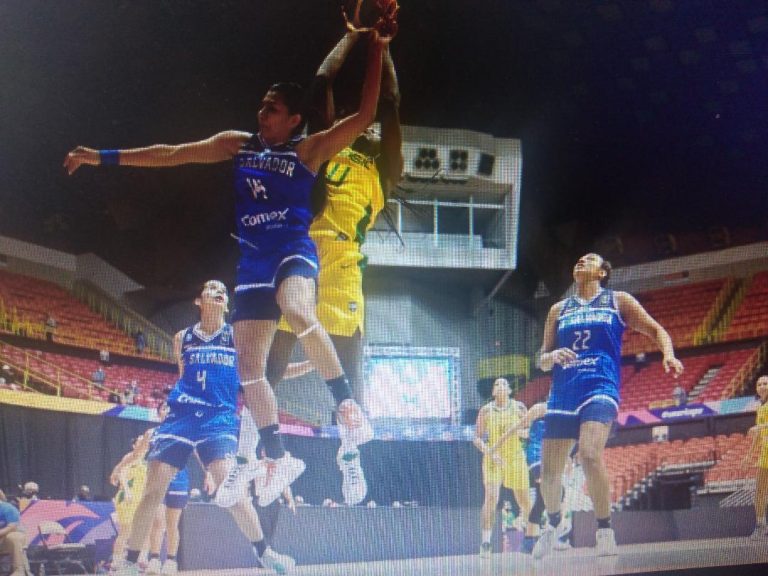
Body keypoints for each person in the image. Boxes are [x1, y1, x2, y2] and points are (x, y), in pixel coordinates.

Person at [64, 25, 395, 511]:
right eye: (261, 105)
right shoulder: (237, 144)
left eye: (273, 108)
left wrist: (378, 49)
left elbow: (365, 114)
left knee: (298, 309)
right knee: (250, 371)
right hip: (254, 261)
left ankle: (346, 405)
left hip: (293, 251)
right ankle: (276, 457)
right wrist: (102, 158)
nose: (262, 113)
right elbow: (171, 154)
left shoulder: (308, 150)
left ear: (294, 119)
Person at [263, 21, 403, 507]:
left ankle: (350, 454)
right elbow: (321, 81)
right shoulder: (324, 144)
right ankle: (263, 456)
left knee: (349, 377)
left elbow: (390, 103)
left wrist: (383, 47)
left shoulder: (384, 167)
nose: (366, 124)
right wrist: (350, 36)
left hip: (344, 264)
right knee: (269, 368)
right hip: (301, 256)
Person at [104, 281, 294, 575]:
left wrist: (307, 366)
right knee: (153, 491)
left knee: (232, 490)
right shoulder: (182, 338)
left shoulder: (237, 336)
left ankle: (264, 554)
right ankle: (130, 562)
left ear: (226, 305)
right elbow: (184, 377)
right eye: (211, 289)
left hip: (218, 418)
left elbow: (264, 371)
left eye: (222, 291)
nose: (218, 291)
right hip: (181, 417)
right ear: (199, 301)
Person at [533, 253, 684, 559]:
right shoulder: (558, 309)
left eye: (589, 259)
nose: (580, 261)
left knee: (589, 454)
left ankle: (604, 530)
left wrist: (668, 354)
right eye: (577, 259)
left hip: (600, 386)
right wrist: (550, 357)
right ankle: (554, 523)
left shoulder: (618, 301)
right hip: (562, 392)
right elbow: (541, 358)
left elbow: (657, 330)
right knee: (549, 474)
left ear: (602, 273)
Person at [473, 378, 532, 559]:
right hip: (493, 457)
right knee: (491, 497)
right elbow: (476, 438)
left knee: (524, 501)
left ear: (510, 390)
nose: (500, 386)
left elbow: (529, 432)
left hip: (515, 457)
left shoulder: (519, 408)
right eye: (497, 384)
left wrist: (518, 432)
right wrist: (490, 453)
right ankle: (486, 542)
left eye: (504, 384)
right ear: (493, 392)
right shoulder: (486, 410)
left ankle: (531, 535)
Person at [742, 375, 768, 540]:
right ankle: (761, 525)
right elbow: (758, 435)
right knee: (759, 490)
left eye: (765, 383)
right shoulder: (760, 407)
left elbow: (759, 428)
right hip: (765, 453)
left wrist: (760, 426)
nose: (762, 386)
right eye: (759, 384)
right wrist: (749, 455)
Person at [0, 489, 31, 576]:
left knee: (14, 537)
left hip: (9, 539)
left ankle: (18, 570)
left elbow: (12, 527)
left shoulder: (8, 508)